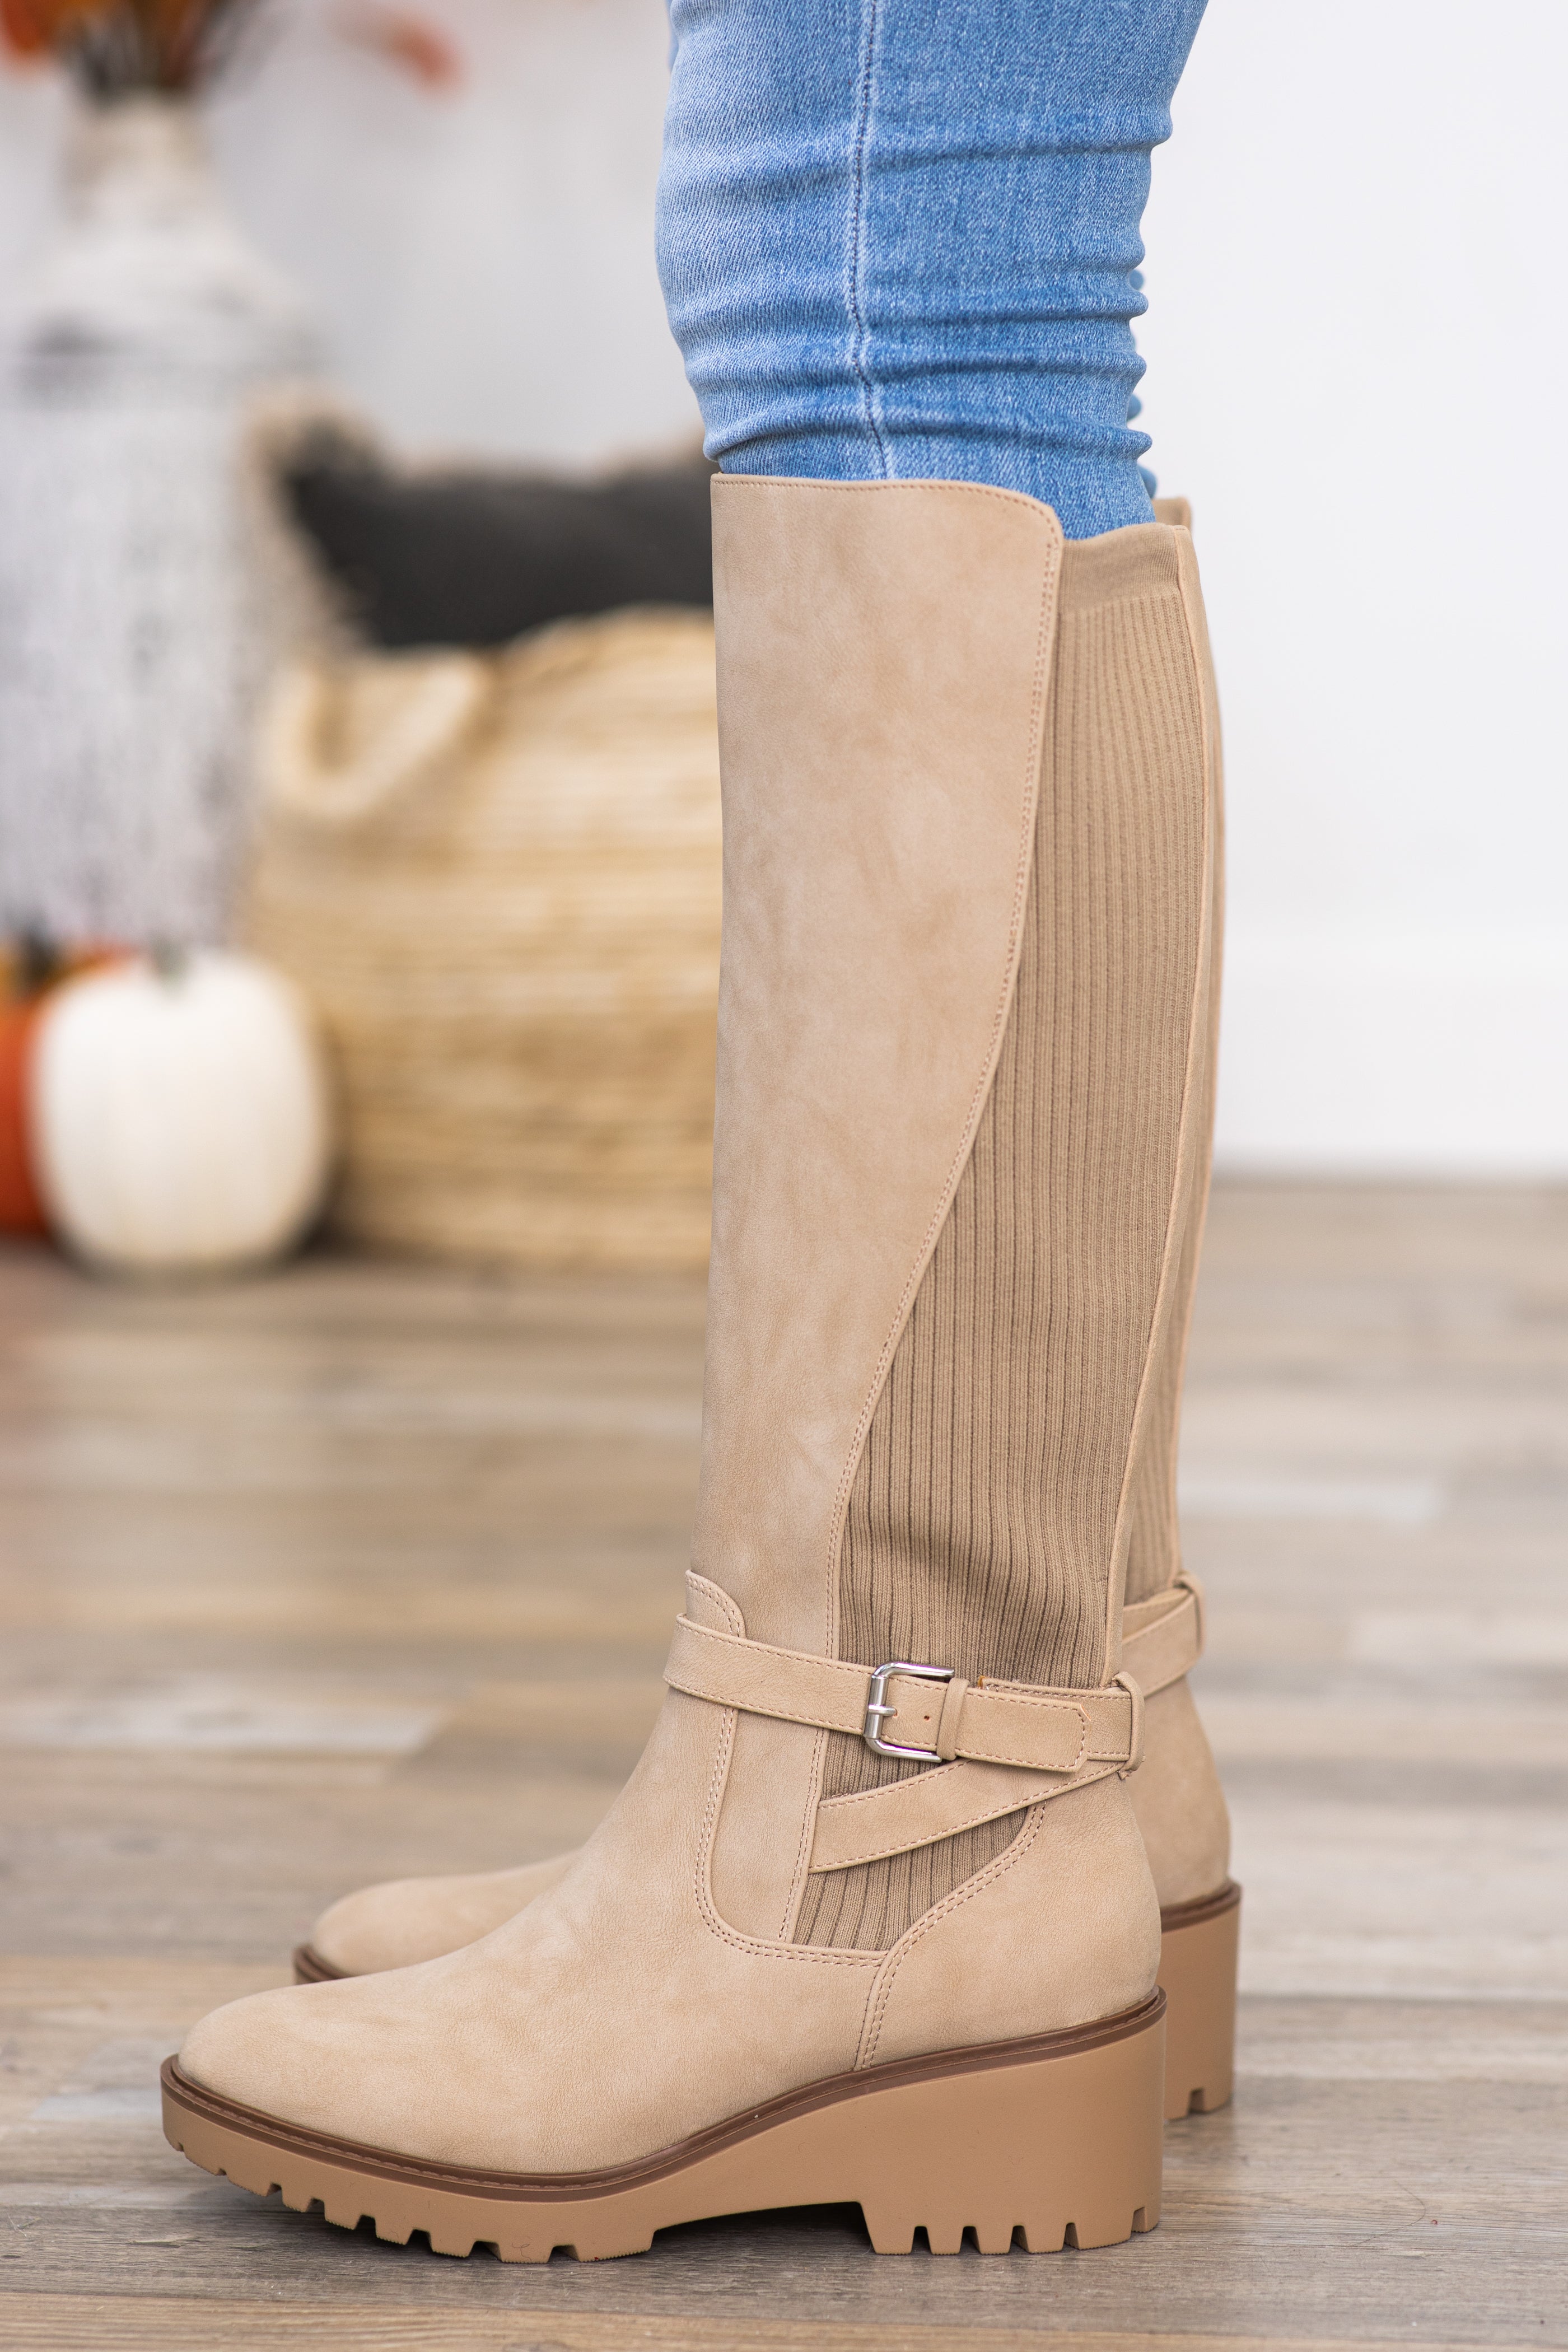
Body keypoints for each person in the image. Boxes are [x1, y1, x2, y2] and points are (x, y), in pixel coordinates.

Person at [161, 0, 1237, 2258]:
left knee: (873, 252)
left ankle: (878, 1808)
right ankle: (1055, 1742)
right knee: (961, 272)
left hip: (879, 1808)